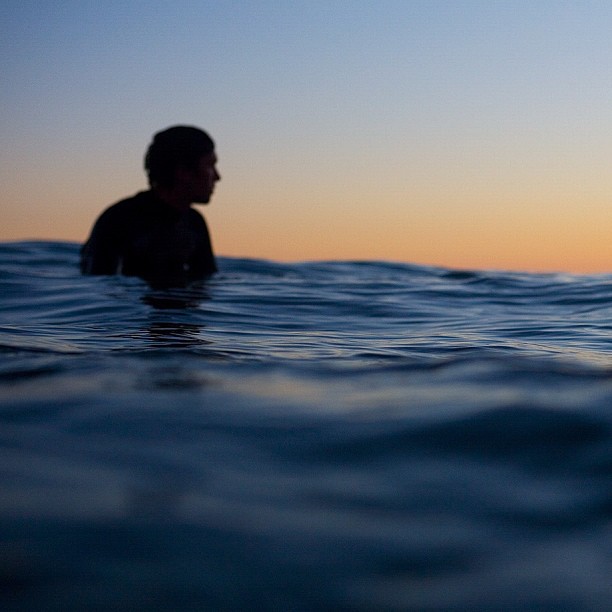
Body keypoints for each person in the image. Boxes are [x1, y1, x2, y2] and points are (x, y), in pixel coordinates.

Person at [81, 125, 220, 286]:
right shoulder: (119, 220)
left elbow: (205, 282)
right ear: (183, 172)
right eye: (210, 165)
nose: (217, 176)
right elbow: (99, 284)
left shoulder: (194, 223)